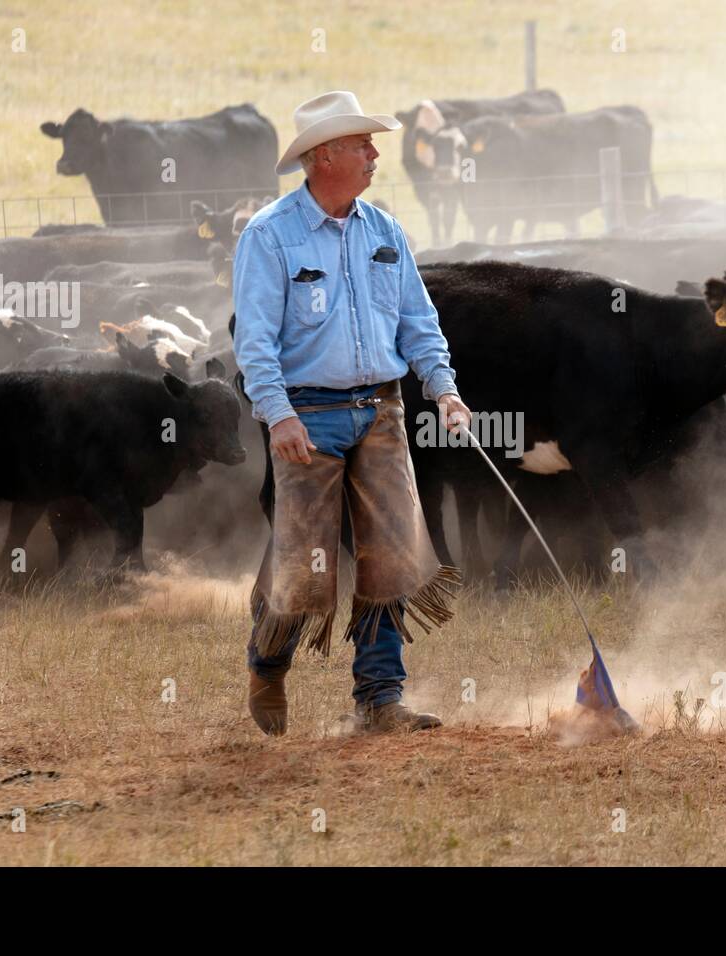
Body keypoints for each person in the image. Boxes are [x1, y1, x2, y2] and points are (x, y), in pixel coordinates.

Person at [232, 90, 472, 736]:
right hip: (306, 418)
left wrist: (444, 389)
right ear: (323, 157)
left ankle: (379, 698)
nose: (374, 154)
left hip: (382, 410)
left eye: (371, 143)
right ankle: (267, 660)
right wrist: (277, 414)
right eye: (361, 144)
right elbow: (254, 341)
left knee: (391, 554)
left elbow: (420, 323)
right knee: (305, 560)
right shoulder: (269, 237)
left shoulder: (386, 231)